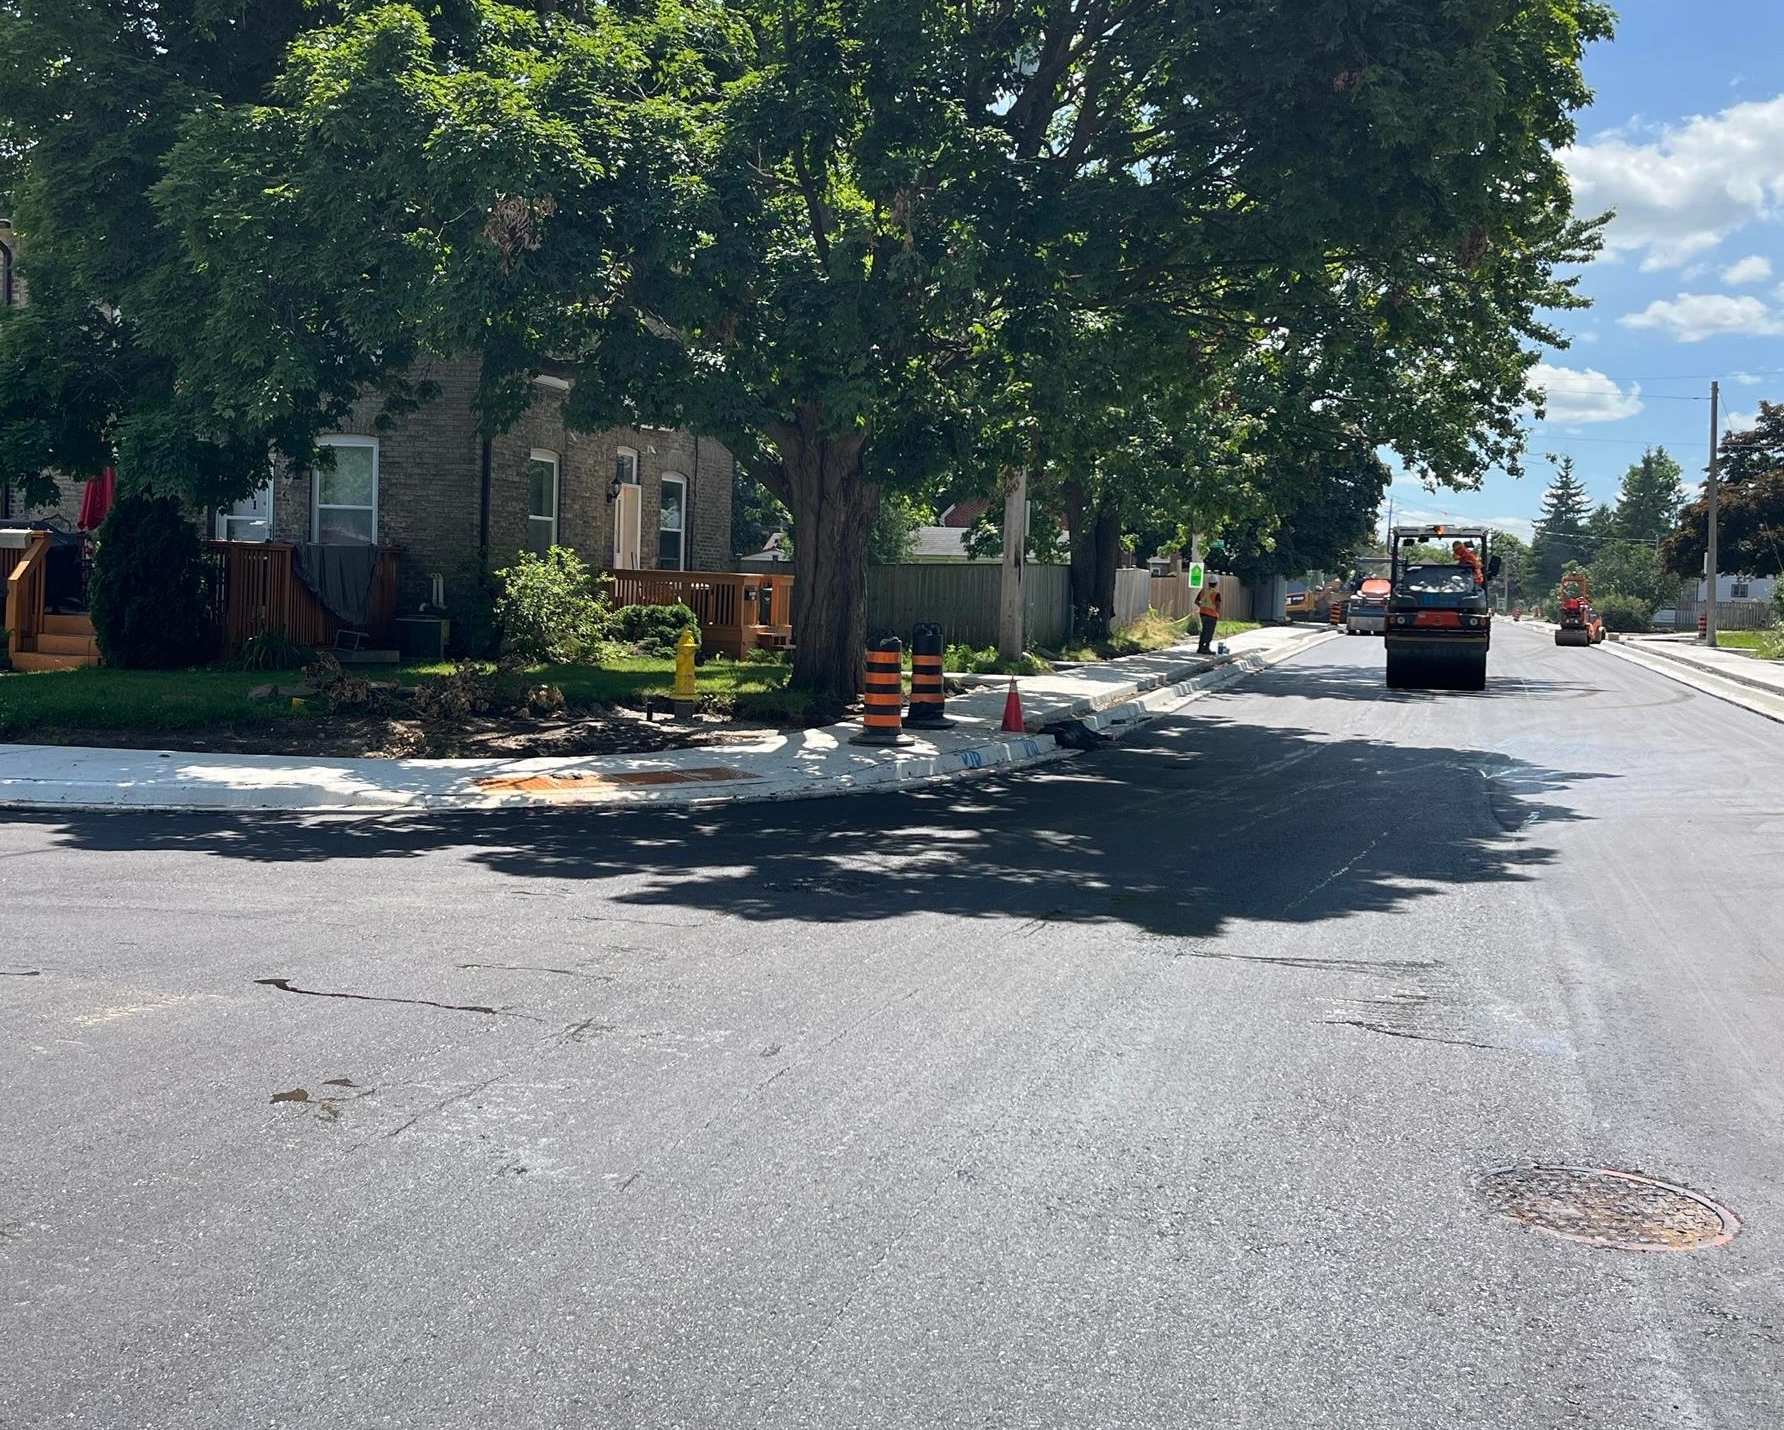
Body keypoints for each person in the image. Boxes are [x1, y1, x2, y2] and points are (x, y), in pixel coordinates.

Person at [1196, 578, 1221, 654]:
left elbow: (1196, 601)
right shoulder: (1216, 593)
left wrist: (1201, 606)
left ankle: (1200, 648)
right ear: (1216, 584)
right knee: (1209, 632)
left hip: (1203, 613)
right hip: (1212, 614)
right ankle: (1206, 648)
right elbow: (1218, 605)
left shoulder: (1203, 591)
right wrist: (1218, 613)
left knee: (1204, 631)